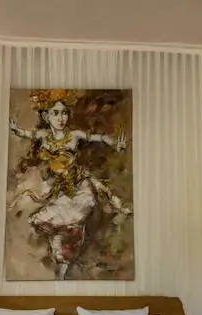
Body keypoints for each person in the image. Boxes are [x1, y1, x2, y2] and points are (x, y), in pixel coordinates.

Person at [9, 89, 130, 280]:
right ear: (46, 116)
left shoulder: (74, 135)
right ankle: (62, 272)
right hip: (58, 191)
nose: (61, 118)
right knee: (60, 233)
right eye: (55, 113)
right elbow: (28, 134)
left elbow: (96, 137)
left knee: (70, 226)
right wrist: (17, 131)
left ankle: (64, 269)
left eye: (64, 112)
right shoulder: (44, 135)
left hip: (79, 188)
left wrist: (114, 143)